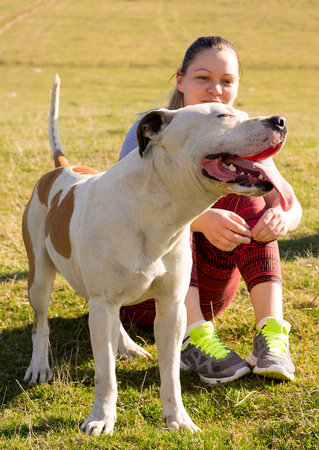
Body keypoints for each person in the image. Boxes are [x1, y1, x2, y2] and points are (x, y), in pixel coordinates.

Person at [119, 36, 302, 384]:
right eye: (203, 77)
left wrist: (282, 219)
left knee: (252, 196)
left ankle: (272, 336)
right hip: (145, 295)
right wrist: (200, 220)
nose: (215, 89)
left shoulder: (244, 134)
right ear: (180, 80)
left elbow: (292, 207)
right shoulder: (156, 129)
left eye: (227, 80)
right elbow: (129, 215)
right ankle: (192, 337)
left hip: (214, 291)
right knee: (179, 211)